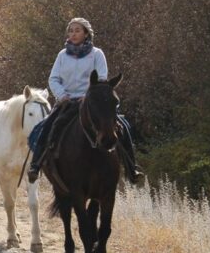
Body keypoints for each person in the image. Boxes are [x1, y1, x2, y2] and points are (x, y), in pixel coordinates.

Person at [27, 18, 143, 183]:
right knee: (48, 126)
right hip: (67, 102)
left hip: (92, 102)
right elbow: (53, 79)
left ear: (86, 33)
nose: (73, 34)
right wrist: (62, 95)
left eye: (77, 30)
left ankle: (132, 169)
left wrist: (88, 96)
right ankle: (36, 165)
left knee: (122, 126)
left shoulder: (97, 54)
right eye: (71, 31)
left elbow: (101, 79)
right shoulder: (62, 55)